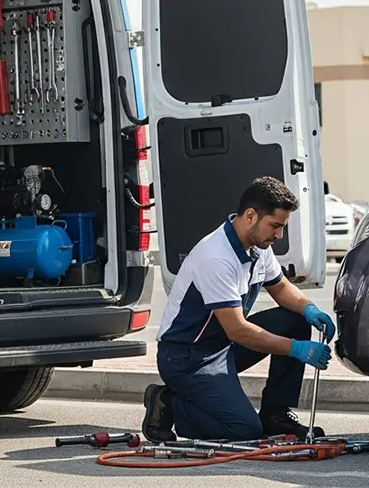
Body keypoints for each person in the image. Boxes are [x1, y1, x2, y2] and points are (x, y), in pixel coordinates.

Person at [142, 176, 336, 443]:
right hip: (188, 358)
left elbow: (280, 289)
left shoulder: (258, 246)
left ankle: (274, 414)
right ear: (251, 215)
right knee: (243, 431)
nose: (279, 235)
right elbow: (238, 330)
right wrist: (297, 349)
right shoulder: (216, 257)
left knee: (296, 321)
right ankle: (170, 401)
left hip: (223, 345)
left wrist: (310, 309)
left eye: (282, 227)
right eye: (275, 226)